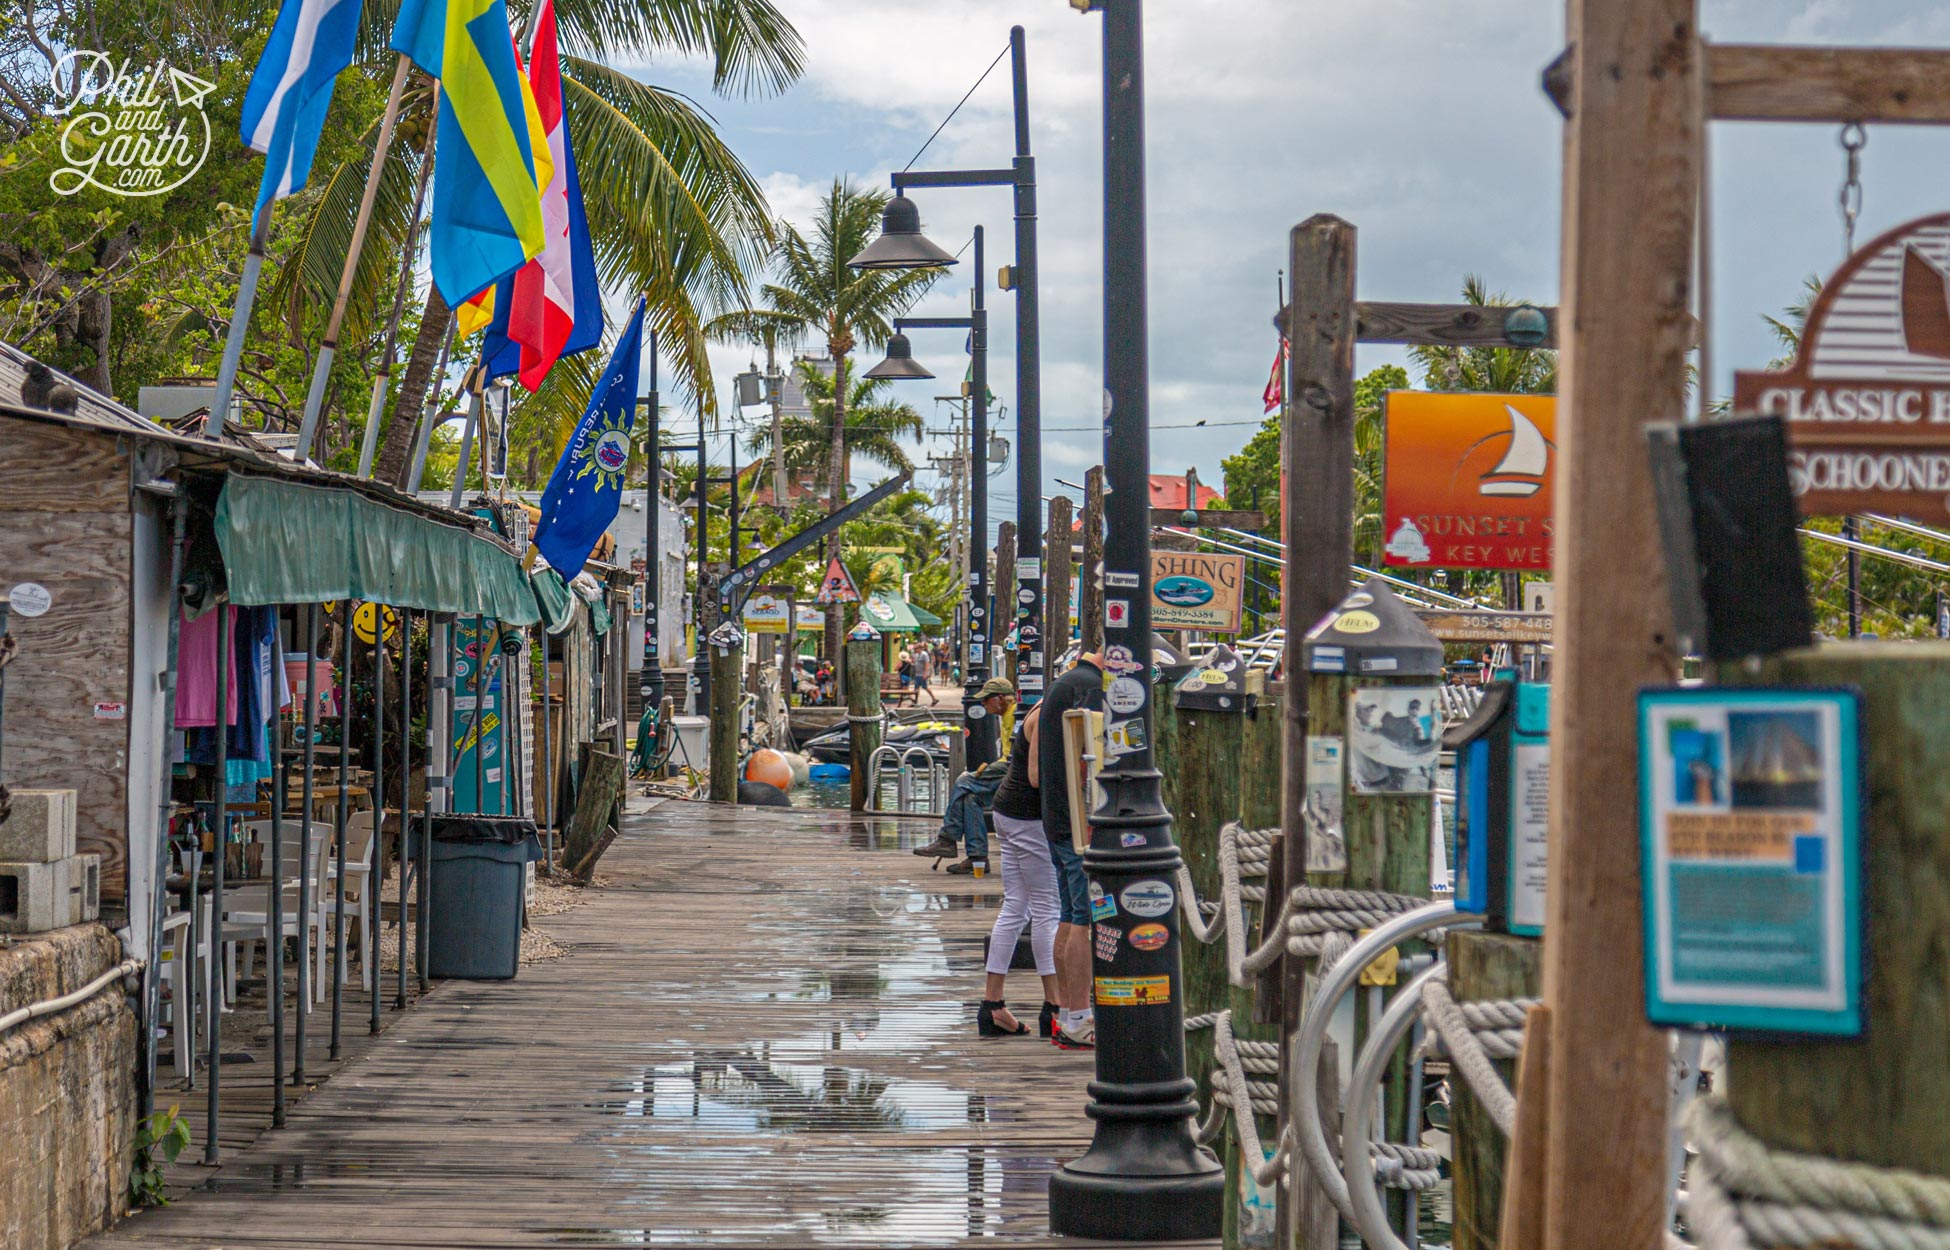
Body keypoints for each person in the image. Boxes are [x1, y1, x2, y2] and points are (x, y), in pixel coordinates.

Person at [977, 692, 1062, 1037]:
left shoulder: (1042, 706)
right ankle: (1054, 1008)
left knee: (1016, 906)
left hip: (1007, 812)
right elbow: (1038, 776)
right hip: (1028, 819)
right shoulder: (1048, 715)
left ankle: (992, 1006)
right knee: (1047, 907)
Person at [1040, 649, 1105, 1050]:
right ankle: (1080, 1017)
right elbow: (1089, 759)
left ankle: (1067, 1014)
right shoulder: (1091, 689)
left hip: (1057, 820)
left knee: (1069, 913)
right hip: (1079, 822)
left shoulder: (1062, 685)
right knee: (1083, 917)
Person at [914, 677, 1017, 873]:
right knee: (970, 797)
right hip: (1007, 766)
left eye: (986, 699)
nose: (983, 704)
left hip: (1012, 769)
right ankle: (977, 857)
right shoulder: (1005, 716)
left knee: (964, 781)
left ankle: (946, 839)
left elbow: (1013, 756)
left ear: (1000, 698)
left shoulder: (1014, 714)